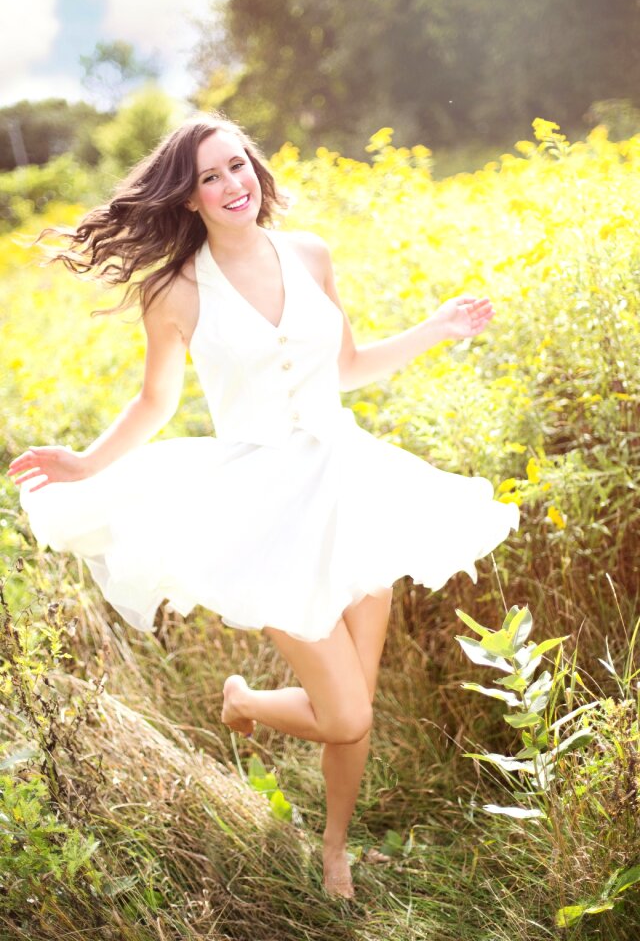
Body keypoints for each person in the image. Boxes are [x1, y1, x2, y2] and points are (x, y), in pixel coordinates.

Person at [8, 111, 519, 899]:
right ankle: (242, 700)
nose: (230, 184)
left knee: (359, 707)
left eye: (237, 165)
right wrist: (85, 461)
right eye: (209, 176)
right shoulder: (174, 293)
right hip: (264, 510)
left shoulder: (310, 253)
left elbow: (345, 367)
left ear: (255, 169)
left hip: (354, 490)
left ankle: (336, 851)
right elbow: (154, 403)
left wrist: (437, 328)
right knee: (343, 713)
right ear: (188, 198)